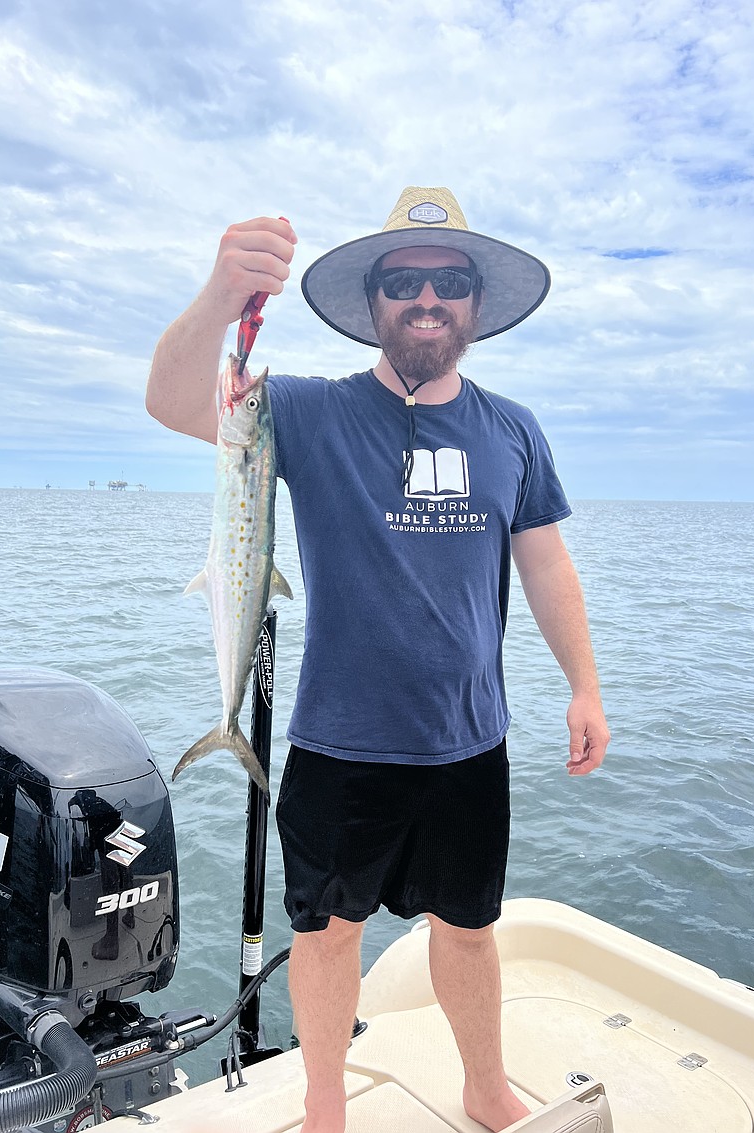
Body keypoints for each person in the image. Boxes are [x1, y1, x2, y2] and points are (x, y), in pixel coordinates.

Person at [146, 187, 610, 1133]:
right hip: (337, 740)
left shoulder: (513, 429)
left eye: (449, 281)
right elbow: (171, 400)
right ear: (375, 302)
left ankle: (484, 1087)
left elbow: (548, 565)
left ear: (475, 303)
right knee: (325, 936)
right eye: (405, 281)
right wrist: (218, 296)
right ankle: (326, 1106)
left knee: (471, 930)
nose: (427, 298)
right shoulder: (305, 415)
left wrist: (586, 687)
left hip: (468, 741)